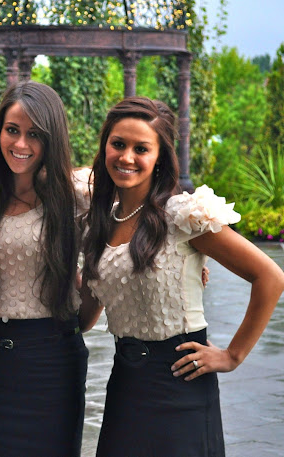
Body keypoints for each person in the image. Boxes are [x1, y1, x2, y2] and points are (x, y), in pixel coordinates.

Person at [79, 96, 284, 456]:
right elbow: (83, 318)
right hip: (125, 384)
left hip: (180, 382)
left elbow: (269, 276)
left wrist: (232, 355)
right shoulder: (100, 223)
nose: (126, 157)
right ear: (105, 146)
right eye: (118, 144)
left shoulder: (182, 217)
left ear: (160, 157)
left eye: (141, 148)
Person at [0, 80, 90, 457]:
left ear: (52, 138)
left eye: (35, 134)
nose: (20, 144)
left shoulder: (77, 195)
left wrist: (192, 257)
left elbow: (137, 215)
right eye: (12, 130)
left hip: (56, 361)